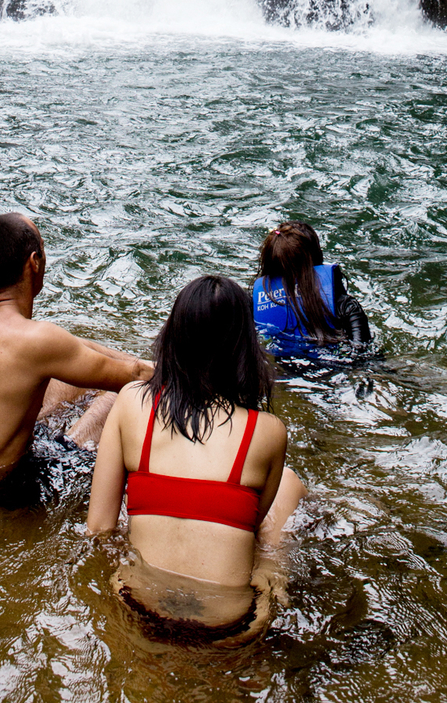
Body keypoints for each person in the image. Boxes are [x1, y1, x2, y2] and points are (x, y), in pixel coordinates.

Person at [87, 275, 306, 645]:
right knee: (290, 483)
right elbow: (250, 528)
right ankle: (275, 578)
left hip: (138, 605)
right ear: (244, 347)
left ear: (173, 337)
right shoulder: (267, 431)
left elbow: (99, 527)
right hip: (230, 623)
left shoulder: (130, 403)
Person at [0, 212, 152, 489]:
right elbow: (137, 375)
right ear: (34, 263)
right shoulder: (38, 342)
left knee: (64, 374)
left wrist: (137, 359)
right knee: (118, 396)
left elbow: (76, 347)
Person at [252, 221, 372, 357]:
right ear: (318, 259)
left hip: (278, 373)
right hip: (332, 371)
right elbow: (363, 357)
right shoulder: (346, 307)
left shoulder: (251, 308)